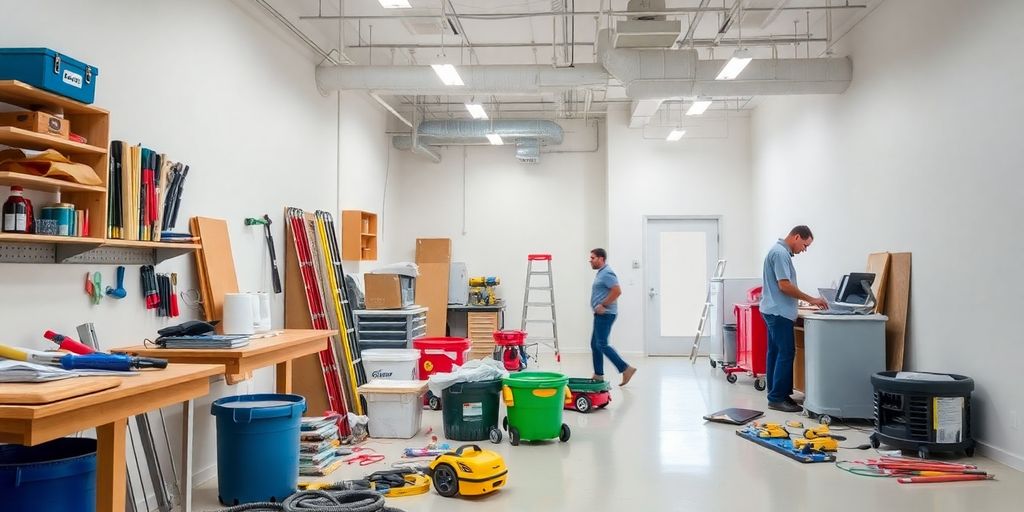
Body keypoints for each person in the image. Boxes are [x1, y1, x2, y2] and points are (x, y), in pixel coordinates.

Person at [759, 226, 828, 412]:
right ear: (797, 236)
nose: (804, 250)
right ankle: (777, 398)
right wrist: (811, 299)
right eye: (805, 245)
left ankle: (776, 394)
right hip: (778, 312)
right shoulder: (781, 253)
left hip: (772, 309)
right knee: (786, 352)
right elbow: (785, 286)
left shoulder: (777, 251)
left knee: (775, 352)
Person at [589, 248, 637, 386]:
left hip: (606, 314)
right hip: (601, 314)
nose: (590, 260)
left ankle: (626, 368)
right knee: (595, 344)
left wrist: (602, 304)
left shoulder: (607, 273)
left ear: (601, 258)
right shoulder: (601, 273)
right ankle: (598, 375)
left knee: (601, 344)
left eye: (593, 258)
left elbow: (617, 291)